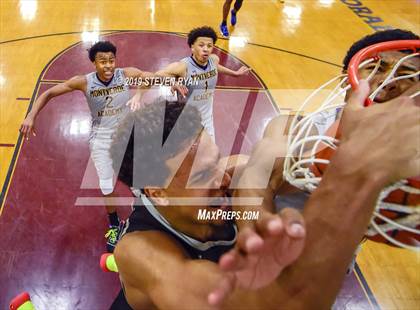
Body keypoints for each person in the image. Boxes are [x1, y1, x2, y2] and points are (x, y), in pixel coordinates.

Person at [108, 70, 420, 309]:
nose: (223, 176)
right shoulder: (140, 253)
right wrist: (356, 173)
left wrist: (252, 223)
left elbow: (272, 144)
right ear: (157, 191)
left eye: (216, 160)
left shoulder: (225, 180)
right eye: (204, 174)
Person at [19, 41, 151, 253]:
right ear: (93, 63)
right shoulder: (83, 82)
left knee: (138, 184)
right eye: (102, 61)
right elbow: (48, 93)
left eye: (111, 60)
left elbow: (148, 77)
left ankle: (143, 220)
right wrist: (31, 116)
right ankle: (114, 225)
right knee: (107, 186)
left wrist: (139, 94)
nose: (108, 66)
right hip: (102, 138)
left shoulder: (125, 74)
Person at [128, 26, 250, 141]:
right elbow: (154, 76)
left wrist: (235, 73)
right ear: (192, 47)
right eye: (201, 45)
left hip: (207, 120)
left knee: (209, 154)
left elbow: (216, 67)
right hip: (186, 120)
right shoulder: (182, 67)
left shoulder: (213, 60)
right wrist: (140, 95)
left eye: (209, 45)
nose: (206, 49)